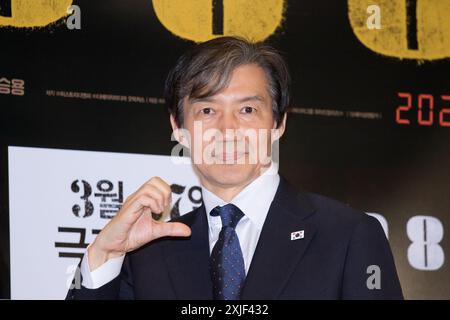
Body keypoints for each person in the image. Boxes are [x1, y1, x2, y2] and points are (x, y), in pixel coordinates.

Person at [66, 36, 403, 300]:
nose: (227, 131)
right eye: (207, 111)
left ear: (279, 122)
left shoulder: (347, 235)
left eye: (247, 111)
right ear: (178, 127)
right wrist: (104, 252)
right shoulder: (149, 253)